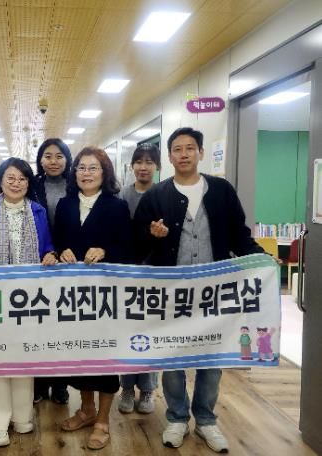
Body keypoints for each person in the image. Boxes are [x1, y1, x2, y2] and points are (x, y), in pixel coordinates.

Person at [135, 127, 264, 453]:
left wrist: (261, 258)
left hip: (214, 291)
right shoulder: (156, 195)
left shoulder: (221, 191)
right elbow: (137, 242)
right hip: (172, 292)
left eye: (190, 148)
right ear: (169, 156)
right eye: (177, 149)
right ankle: (177, 417)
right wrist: (153, 235)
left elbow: (239, 235)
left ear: (201, 153)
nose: (183, 154)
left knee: (212, 355)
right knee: (172, 356)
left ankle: (206, 419)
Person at [0, 158, 58, 447]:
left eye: (22, 179)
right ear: (1, 180)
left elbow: (48, 246)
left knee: (23, 354)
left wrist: (50, 254)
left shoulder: (38, 212)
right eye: (11, 178)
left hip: (27, 298)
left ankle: (21, 415)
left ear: (28, 183)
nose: (16, 183)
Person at [55, 147, 132, 450]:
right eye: (81, 168)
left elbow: (128, 249)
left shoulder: (117, 206)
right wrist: (61, 251)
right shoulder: (65, 204)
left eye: (93, 168)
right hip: (73, 295)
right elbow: (57, 240)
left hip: (106, 295)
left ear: (105, 173)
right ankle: (86, 410)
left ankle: (102, 420)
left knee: (104, 357)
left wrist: (106, 251)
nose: (86, 173)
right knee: (80, 354)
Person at [118, 143, 161, 415]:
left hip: (155, 273)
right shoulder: (122, 195)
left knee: (150, 331)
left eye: (149, 162)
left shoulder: (163, 194)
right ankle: (126, 387)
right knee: (126, 330)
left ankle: (147, 388)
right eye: (139, 161)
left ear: (157, 166)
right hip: (126, 273)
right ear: (132, 165)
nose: (143, 167)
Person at [33, 138, 73, 405]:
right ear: (40, 160)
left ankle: (60, 384)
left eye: (59, 156)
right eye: (48, 156)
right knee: (38, 324)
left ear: (67, 159)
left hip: (69, 260)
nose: (54, 161)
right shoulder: (33, 185)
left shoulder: (76, 183)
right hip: (39, 260)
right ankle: (39, 383)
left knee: (62, 326)